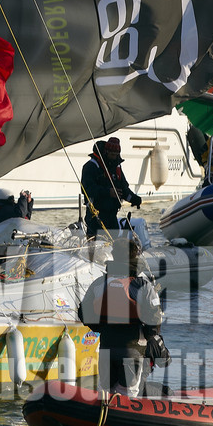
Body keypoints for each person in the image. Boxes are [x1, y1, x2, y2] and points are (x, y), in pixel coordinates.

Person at [80, 238, 167, 396]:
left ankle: (99, 418)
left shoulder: (100, 283)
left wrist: (101, 328)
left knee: (105, 393)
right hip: (132, 349)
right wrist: (149, 337)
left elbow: (84, 313)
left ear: (113, 255)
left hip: (106, 348)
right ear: (136, 257)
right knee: (128, 394)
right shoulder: (143, 286)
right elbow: (154, 320)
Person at [81, 137, 142, 237]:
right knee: (95, 247)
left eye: (116, 155)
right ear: (106, 152)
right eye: (112, 154)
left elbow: (123, 189)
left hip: (112, 216)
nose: (114, 157)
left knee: (114, 246)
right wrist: (108, 192)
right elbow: (88, 189)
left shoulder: (116, 167)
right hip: (95, 217)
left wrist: (134, 199)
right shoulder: (91, 167)